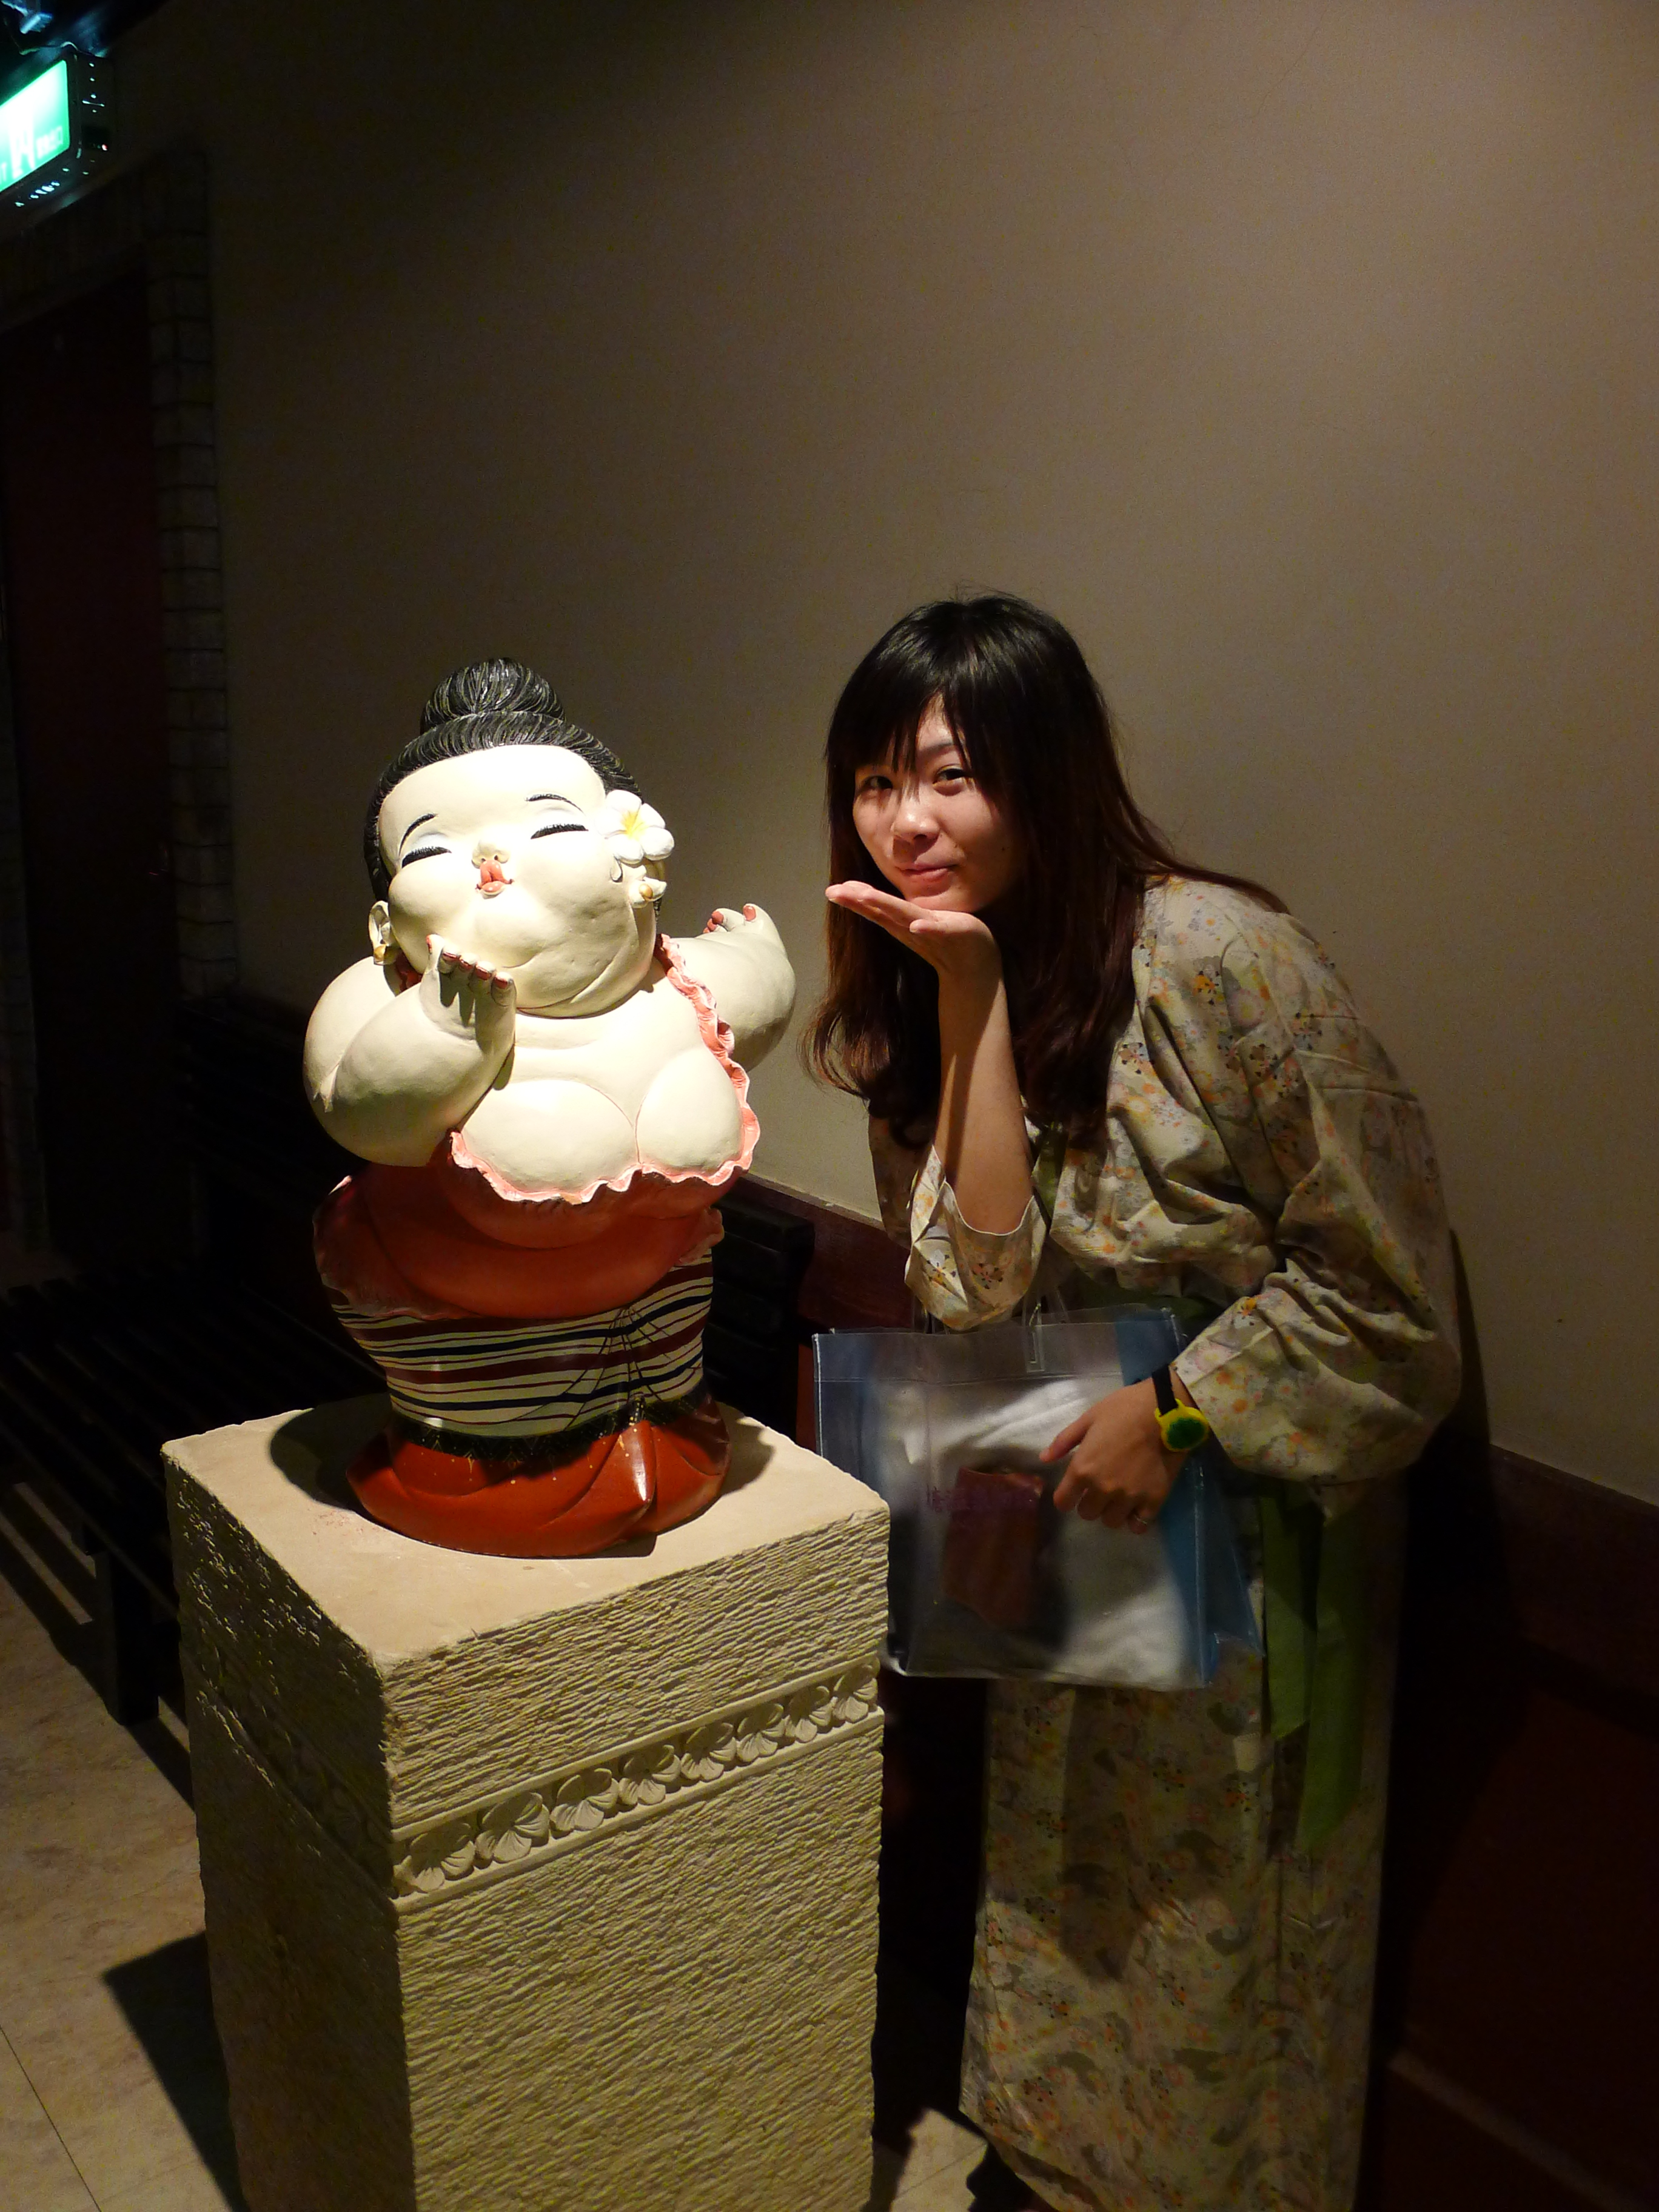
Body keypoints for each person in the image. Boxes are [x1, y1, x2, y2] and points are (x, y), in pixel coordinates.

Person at [808, 596, 1460, 2212]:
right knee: (1059, 1913)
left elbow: (1389, 1301)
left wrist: (1178, 1411)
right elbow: (971, 1302)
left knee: (1225, 1955)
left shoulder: (1222, 962)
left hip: (1244, 1563)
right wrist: (969, 1005)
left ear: (1043, 769)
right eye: (876, 781)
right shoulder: (920, 979)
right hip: (1062, 1550)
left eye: (948, 775)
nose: (905, 821)